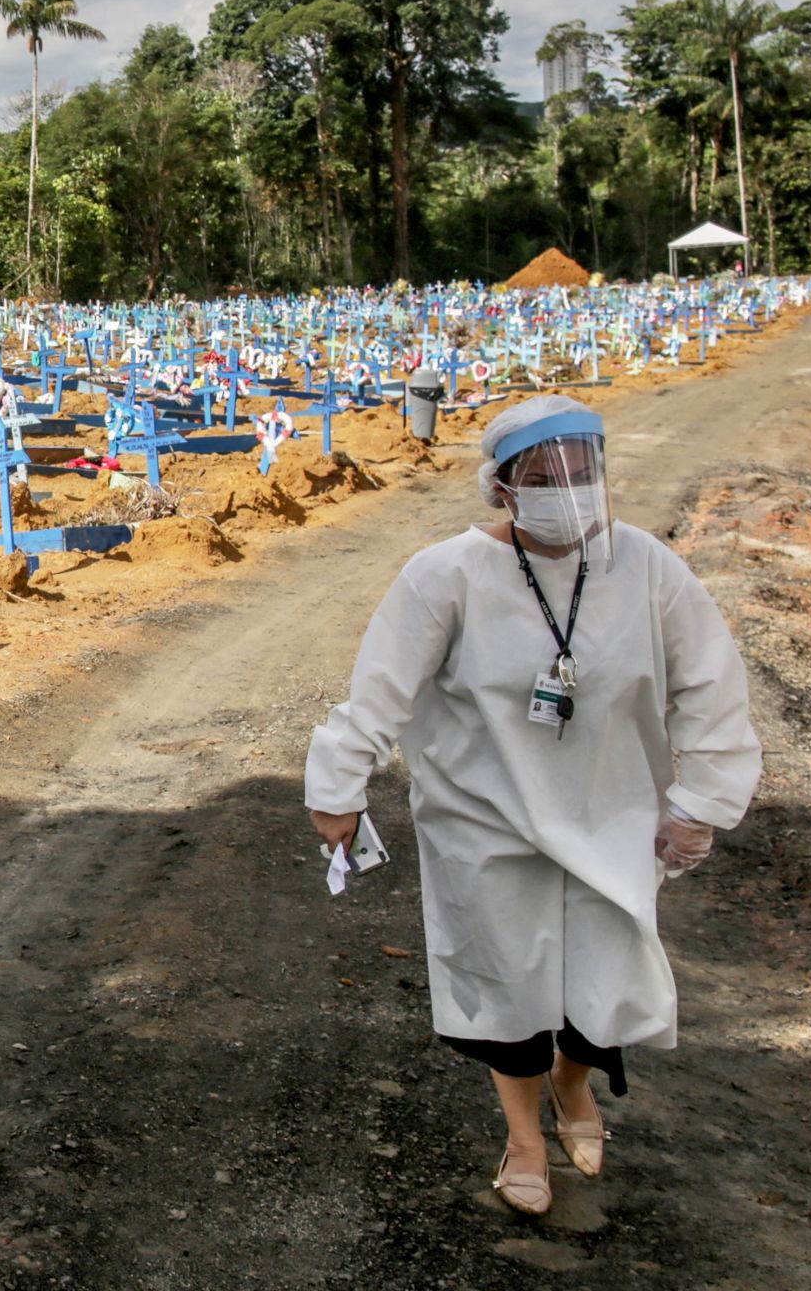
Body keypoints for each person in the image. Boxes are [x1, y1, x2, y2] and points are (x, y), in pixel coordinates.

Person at [303, 396, 762, 1216]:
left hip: (609, 812)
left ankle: (573, 1084)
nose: (568, 487)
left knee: (609, 979)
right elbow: (379, 691)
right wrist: (339, 789)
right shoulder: (444, 575)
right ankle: (521, 1136)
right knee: (505, 984)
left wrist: (701, 801)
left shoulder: (647, 567)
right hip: (486, 820)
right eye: (544, 475)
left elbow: (712, 686)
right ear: (503, 487)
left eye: (582, 469)